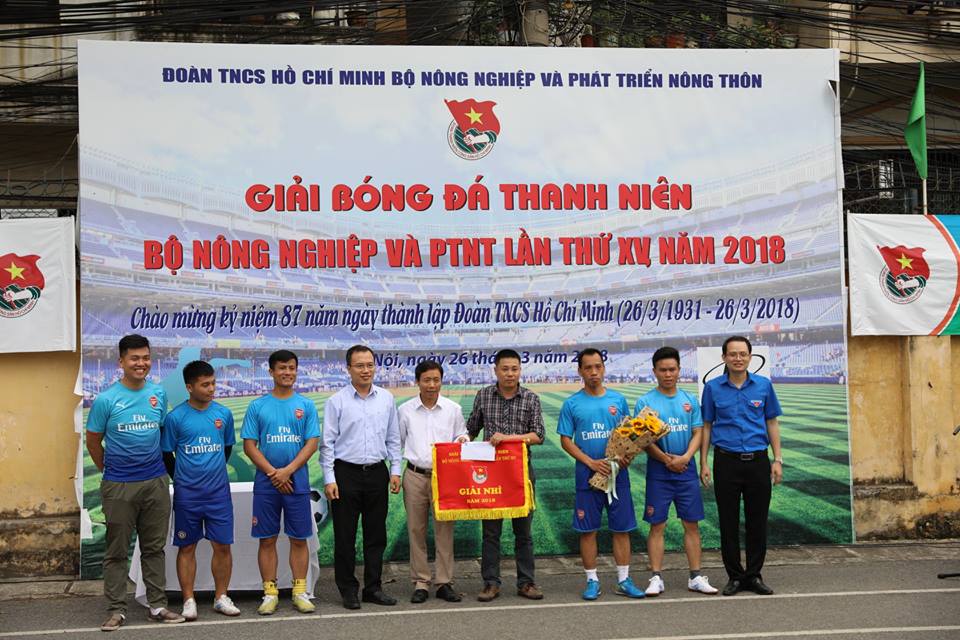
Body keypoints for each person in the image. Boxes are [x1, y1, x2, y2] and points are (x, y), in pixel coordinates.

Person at [85, 334, 185, 631]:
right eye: (134, 358)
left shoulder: (157, 394)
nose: (141, 363)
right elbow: (93, 442)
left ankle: (157, 605)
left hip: (155, 483)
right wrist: (111, 472)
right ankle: (117, 609)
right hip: (119, 485)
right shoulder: (106, 400)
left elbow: (162, 434)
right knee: (117, 551)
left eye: (145, 358)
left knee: (154, 549)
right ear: (121, 361)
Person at [557, 348, 645, 601]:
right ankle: (592, 580)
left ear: (604, 368)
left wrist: (626, 457)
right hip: (587, 477)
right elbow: (566, 440)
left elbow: (628, 435)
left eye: (598, 366)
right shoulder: (571, 404)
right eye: (588, 368)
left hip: (618, 476)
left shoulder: (618, 400)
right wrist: (590, 462)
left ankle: (624, 580)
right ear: (580, 371)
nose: (594, 372)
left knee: (622, 529)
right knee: (588, 530)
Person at [699, 336, 783, 596]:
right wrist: (703, 462)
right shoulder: (712, 388)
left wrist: (777, 459)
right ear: (724, 357)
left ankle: (754, 575)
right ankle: (735, 576)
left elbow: (771, 422)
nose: (738, 358)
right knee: (728, 522)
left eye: (742, 354)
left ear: (750, 357)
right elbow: (707, 426)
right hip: (726, 462)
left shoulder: (763, 386)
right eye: (733, 354)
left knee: (757, 522)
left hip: (758, 461)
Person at [320, 345, 402, 610]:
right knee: (345, 536)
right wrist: (329, 478)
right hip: (346, 474)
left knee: (376, 535)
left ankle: (373, 588)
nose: (366, 370)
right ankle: (348, 589)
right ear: (348, 369)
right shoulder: (337, 401)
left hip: (377, 472)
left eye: (370, 365)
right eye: (359, 366)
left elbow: (393, 438)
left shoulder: (386, 398)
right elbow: (327, 443)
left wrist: (396, 470)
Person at [634, 347, 718, 597]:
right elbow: (643, 439)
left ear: (679, 370)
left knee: (691, 524)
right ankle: (656, 577)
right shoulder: (645, 402)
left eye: (672, 369)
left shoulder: (689, 400)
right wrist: (665, 459)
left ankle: (695, 576)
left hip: (686, 470)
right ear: (655, 371)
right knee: (657, 525)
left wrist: (686, 457)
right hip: (659, 472)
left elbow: (698, 432)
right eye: (663, 370)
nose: (668, 374)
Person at [241, 349, 320, 615]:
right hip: (267, 485)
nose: (287, 372)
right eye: (282, 368)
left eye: (291, 367)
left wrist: (288, 471)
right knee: (267, 539)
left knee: (299, 539)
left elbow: (311, 443)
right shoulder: (257, 406)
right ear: (271, 371)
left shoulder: (306, 405)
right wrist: (275, 474)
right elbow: (250, 446)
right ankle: (270, 593)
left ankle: (299, 591)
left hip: (297, 482)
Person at [161, 360, 240, 620]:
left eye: (213, 383)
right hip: (188, 495)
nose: (211, 388)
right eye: (205, 384)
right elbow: (167, 453)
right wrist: (181, 479)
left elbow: (226, 448)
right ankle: (188, 600)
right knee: (187, 546)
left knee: (223, 546)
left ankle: (221, 597)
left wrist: (212, 473)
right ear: (189, 387)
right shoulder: (176, 418)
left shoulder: (223, 414)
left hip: (218, 493)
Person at [466, 348, 545, 602]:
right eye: (505, 369)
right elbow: (471, 429)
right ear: (496, 370)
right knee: (491, 533)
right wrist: (460, 444)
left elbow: (538, 435)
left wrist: (508, 439)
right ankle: (491, 583)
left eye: (514, 369)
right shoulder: (484, 395)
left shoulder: (531, 398)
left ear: (520, 370)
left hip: (521, 473)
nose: (510, 373)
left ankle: (526, 582)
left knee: (523, 532)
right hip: (491, 474)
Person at [398, 360, 469, 604]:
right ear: (417, 382)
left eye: (436, 380)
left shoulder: (453, 409)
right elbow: (397, 443)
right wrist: (395, 473)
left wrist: (462, 439)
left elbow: (461, 433)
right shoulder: (405, 410)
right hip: (415, 475)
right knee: (416, 530)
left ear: (441, 381)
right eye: (426, 380)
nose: (431, 385)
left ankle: (444, 582)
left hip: (444, 477)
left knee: (444, 530)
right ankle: (420, 582)